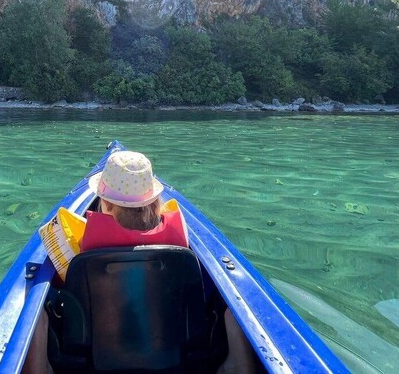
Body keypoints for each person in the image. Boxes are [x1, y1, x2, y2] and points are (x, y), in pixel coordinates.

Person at [23, 151, 255, 374]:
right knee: (232, 300)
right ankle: (236, 367)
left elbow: (63, 284)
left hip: (93, 350)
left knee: (36, 303)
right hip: (173, 349)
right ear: (154, 200)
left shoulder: (88, 242)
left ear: (105, 202)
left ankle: (41, 369)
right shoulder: (177, 237)